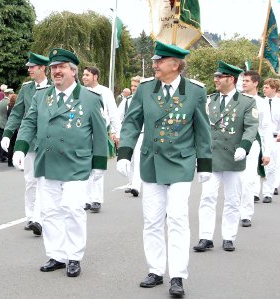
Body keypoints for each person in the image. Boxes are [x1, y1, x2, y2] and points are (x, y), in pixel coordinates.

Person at [117, 41, 212, 297]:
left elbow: (203, 130)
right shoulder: (146, 89)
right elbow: (132, 122)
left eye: (160, 61)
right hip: (151, 163)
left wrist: (204, 164)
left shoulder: (194, 91)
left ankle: (178, 275)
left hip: (181, 163)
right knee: (152, 220)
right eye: (155, 60)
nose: (155, 64)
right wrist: (124, 152)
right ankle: (156, 270)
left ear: (176, 65)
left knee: (178, 219)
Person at [12, 48, 108, 277]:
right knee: (50, 211)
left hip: (76, 163)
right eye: (54, 67)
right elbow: (29, 123)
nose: (56, 71)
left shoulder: (89, 98)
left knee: (73, 209)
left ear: (73, 71)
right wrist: (20, 148)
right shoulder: (41, 95)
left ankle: (74, 256)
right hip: (47, 161)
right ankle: (56, 254)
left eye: (61, 67)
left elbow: (99, 133)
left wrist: (99, 164)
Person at [193, 61, 258, 254]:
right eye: (216, 76)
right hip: (211, 157)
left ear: (230, 79)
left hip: (233, 157)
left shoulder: (247, 102)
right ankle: (205, 237)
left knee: (232, 199)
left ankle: (228, 237)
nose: (215, 80)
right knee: (207, 197)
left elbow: (251, 127)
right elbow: (200, 126)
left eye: (219, 77)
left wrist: (244, 147)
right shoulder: (209, 100)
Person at [1, 51, 50, 235]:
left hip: (48, 141)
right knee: (31, 181)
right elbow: (16, 112)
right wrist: (7, 134)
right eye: (28, 67)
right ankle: (31, 217)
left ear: (43, 68)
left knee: (44, 181)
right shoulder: (27, 89)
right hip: (29, 142)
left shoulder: (54, 87)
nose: (29, 69)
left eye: (33, 67)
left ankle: (40, 217)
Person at [81, 66, 121, 212]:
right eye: (83, 75)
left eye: (87, 75)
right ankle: (85, 199)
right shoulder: (80, 91)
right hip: (83, 132)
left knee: (97, 165)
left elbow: (113, 113)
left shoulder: (105, 92)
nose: (84, 77)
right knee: (84, 164)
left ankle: (96, 200)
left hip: (99, 132)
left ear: (95, 76)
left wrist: (118, 132)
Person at [239, 72, 272, 227]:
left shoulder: (262, 103)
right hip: (234, 143)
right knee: (235, 181)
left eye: (247, 81)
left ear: (255, 83)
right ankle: (234, 209)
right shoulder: (236, 99)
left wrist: (266, 153)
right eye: (242, 80)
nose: (243, 83)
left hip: (253, 144)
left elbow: (265, 128)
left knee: (248, 179)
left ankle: (246, 214)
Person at [117, 76, 143, 197]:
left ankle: (136, 186)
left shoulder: (146, 100)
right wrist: (117, 133)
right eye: (132, 86)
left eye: (135, 86)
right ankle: (132, 182)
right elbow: (119, 116)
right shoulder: (127, 100)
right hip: (129, 135)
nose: (133, 88)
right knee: (130, 160)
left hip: (143, 134)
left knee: (138, 160)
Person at [262, 78, 280, 203]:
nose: (264, 89)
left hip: (274, 138)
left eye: (267, 87)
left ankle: (268, 192)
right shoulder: (259, 102)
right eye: (263, 87)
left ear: (274, 88)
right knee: (256, 166)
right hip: (260, 137)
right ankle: (253, 193)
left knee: (271, 166)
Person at [0, 88, 12, 163]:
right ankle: (3, 156)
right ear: (9, 94)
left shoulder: (0, 102)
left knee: (0, 141)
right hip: (5, 124)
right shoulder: (8, 102)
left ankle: (0, 156)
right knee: (6, 141)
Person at [6, 93, 18, 167]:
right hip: (15, 128)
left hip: (10, 127)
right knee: (14, 145)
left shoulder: (9, 107)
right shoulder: (15, 109)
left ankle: (10, 161)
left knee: (11, 145)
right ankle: (12, 161)